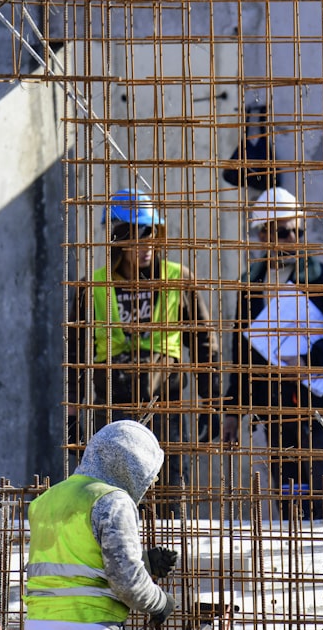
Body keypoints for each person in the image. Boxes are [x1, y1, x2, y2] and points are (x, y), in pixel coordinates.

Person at [66, 188, 221, 518]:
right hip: (113, 407)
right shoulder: (92, 287)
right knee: (113, 496)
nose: (146, 246)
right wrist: (73, 413)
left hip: (166, 406)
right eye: (136, 237)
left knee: (168, 491)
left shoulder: (178, 280)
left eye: (150, 235)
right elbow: (76, 357)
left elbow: (206, 345)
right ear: (118, 240)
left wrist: (212, 403)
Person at [222, 187, 323, 519]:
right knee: (290, 495)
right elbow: (243, 352)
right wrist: (234, 409)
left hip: (317, 405)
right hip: (275, 408)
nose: (292, 238)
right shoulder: (251, 286)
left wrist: (309, 360)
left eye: (298, 231)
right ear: (263, 234)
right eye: (283, 231)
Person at [24, 420, 179, 630]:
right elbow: (126, 583)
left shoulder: (46, 500)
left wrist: (143, 561)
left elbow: (74, 560)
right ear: (131, 466)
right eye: (150, 477)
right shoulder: (112, 501)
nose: (150, 486)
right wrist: (160, 602)